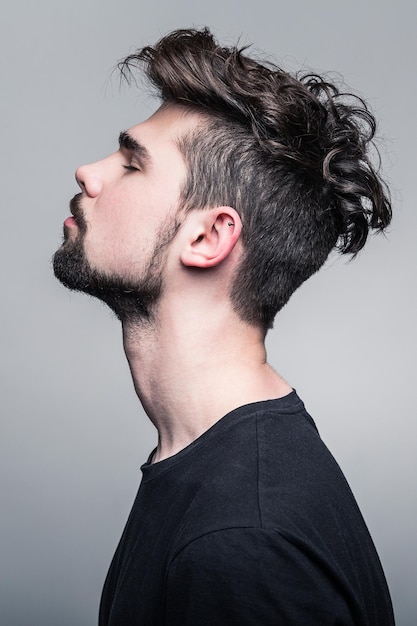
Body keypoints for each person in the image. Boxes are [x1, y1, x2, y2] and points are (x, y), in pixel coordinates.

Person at [53, 27, 395, 626]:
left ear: (209, 237)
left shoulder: (243, 542)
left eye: (132, 164)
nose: (89, 172)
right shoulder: (209, 467)